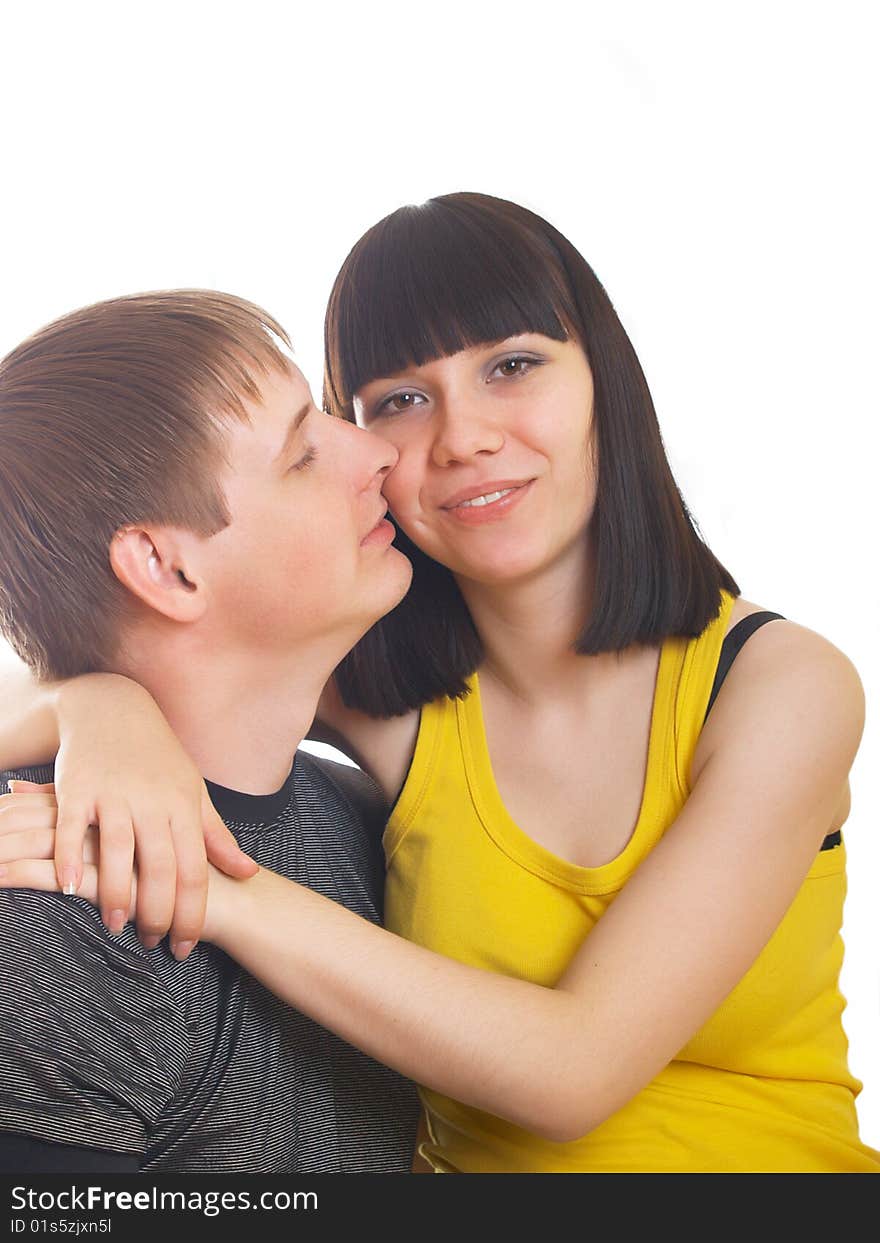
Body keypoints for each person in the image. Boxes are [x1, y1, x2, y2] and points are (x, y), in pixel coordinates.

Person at [1, 193, 878, 1173]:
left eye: (512, 366)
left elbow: (575, 1068)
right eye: (398, 400)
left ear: (604, 376)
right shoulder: (379, 696)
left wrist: (217, 892)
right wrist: (96, 707)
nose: (458, 438)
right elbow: (155, 652)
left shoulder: (780, 686)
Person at [0, 290, 421, 1172]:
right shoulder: (47, 905)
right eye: (304, 453)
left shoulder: (357, 818)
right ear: (166, 567)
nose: (380, 450)